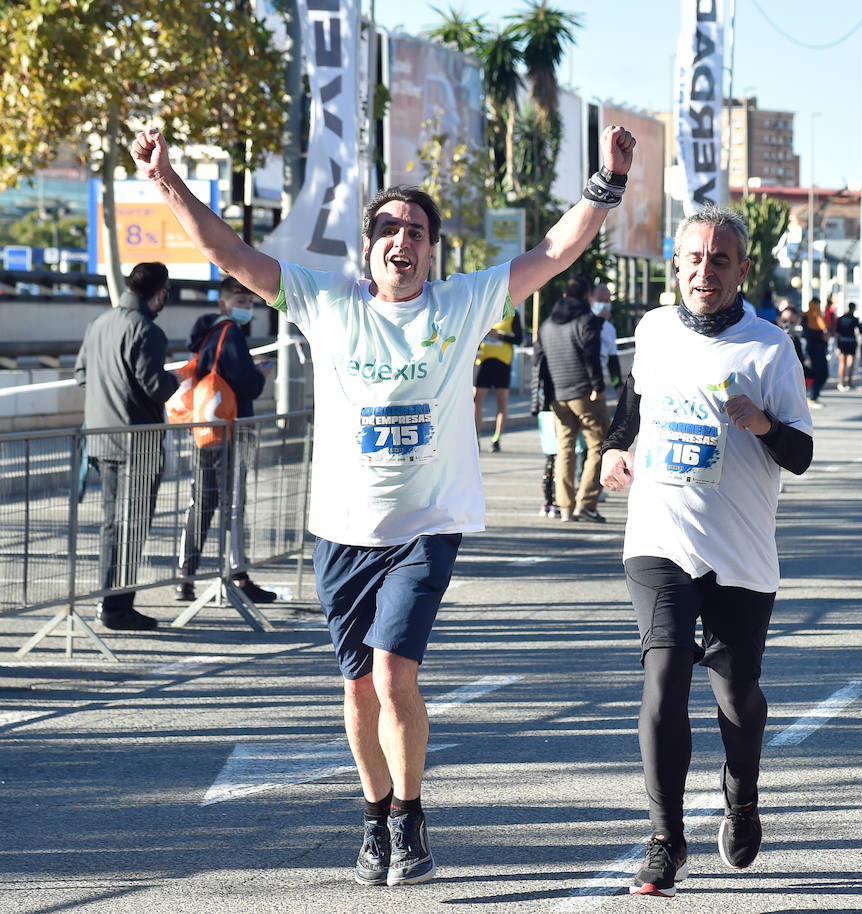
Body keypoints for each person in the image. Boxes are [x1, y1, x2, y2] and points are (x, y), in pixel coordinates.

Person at [130, 122, 636, 886]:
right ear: (368, 246)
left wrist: (607, 180)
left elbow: (557, 251)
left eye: (418, 231)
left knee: (395, 669)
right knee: (358, 684)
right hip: (341, 530)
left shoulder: (462, 304)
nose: (404, 239)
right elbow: (230, 255)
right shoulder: (326, 301)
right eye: (390, 228)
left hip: (424, 527)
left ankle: (411, 813)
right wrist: (166, 177)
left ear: (432, 250)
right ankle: (373, 818)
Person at [598, 205, 813, 898]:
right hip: (658, 536)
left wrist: (763, 422)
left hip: (741, 549)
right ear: (677, 266)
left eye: (720, 260)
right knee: (664, 682)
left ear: (742, 270)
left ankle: (742, 798)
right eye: (693, 258)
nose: (704, 270)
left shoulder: (770, 348)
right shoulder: (654, 331)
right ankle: (665, 841)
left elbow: (802, 454)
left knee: (735, 690)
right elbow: (633, 407)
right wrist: (611, 450)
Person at [74, 261, 180, 631]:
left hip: (102, 440)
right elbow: (156, 387)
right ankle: (118, 607)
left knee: (112, 525)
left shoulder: (99, 323)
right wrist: (176, 379)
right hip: (139, 442)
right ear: (160, 292)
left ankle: (110, 601)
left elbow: (81, 375)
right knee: (132, 526)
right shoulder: (147, 331)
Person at [175, 276, 276, 605]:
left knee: (202, 501)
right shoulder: (230, 332)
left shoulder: (207, 334)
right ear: (224, 303)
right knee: (232, 501)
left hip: (208, 426)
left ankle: (185, 576)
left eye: (249, 302)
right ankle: (238, 574)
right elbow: (246, 384)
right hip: (231, 428)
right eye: (240, 301)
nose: (246, 307)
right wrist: (259, 375)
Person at [532, 277, 609, 523]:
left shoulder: (546, 326)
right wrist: (598, 386)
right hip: (584, 393)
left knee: (564, 449)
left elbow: (538, 363)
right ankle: (586, 503)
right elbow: (591, 357)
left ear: (564, 296)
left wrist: (540, 398)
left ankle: (565, 506)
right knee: (600, 445)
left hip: (557, 396)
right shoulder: (586, 321)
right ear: (586, 297)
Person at [473, 304, 524, 453]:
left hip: (502, 363)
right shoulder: (482, 309)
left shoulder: (512, 314)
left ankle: (496, 438)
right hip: (483, 361)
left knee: (502, 401)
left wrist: (500, 336)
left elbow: (519, 339)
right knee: (476, 400)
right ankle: (476, 436)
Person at [591, 282, 623, 393]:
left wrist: (618, 385)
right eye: (600, 301)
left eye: (607, 301)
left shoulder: (610, 329)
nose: (604, 305)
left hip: (600, 386)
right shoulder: (583, 323)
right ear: (591, 301)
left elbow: (612, 362)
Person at [802, 297, 829, 407]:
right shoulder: (806, 316)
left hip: (821, 349)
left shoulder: (819, 317)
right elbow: (807, 332)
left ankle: (814, 396)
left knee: (823, 374)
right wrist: (821, 335)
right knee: (815, 374)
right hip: (812, 349)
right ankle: (812, 397)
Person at [833, 302, 860, 391]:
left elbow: (837, 331)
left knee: (842, 362)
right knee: (850, 363)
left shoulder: (841, 318)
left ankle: (842, 382)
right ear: (854, 308)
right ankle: (849, 382)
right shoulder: (854, 319)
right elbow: (859, 330)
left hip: (842, 341)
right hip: (851, 341)